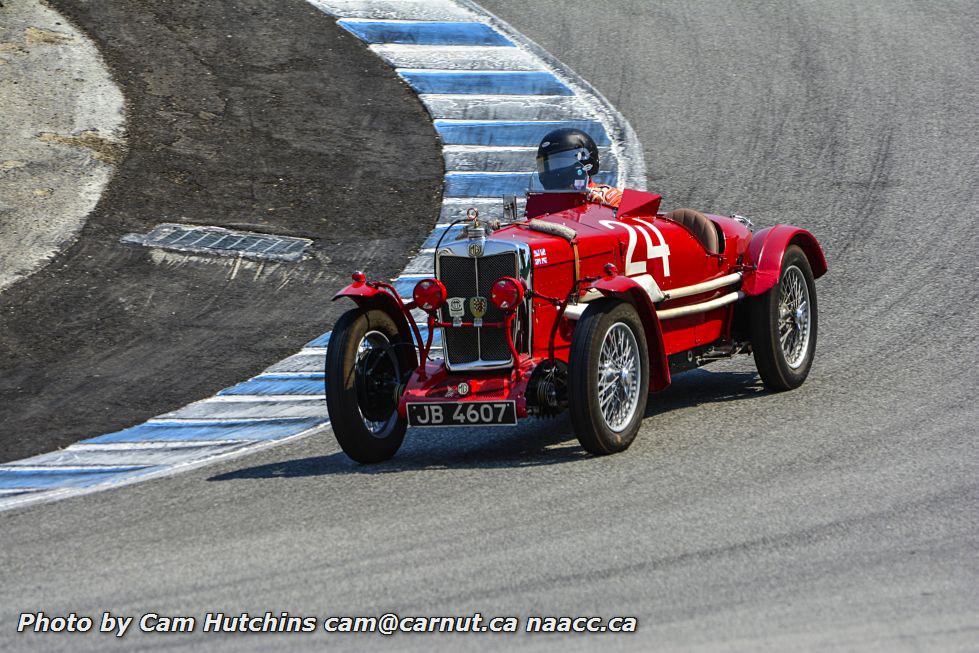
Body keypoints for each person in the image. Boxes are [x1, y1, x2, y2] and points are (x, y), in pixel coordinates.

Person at [535, 128, 623, 209]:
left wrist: (607, 210)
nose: (553, 171)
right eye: (547, 165)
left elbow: (630, 218)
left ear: (584, 159)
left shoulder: (607, 196)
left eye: (560, 163)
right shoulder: (542, 204)